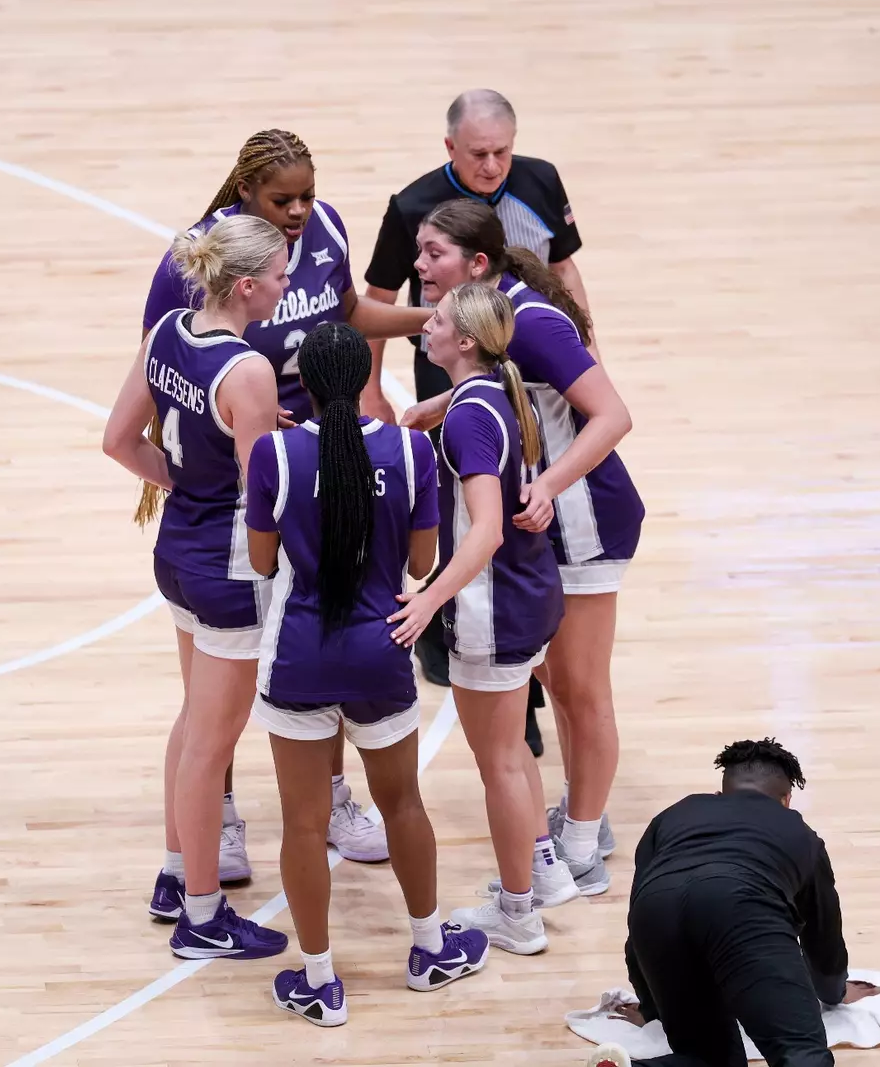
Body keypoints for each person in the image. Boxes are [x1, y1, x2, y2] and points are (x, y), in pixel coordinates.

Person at [141, 128, 429, 874]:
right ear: (245, 194)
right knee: (222, 692)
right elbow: (161, 372)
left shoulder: (326, 228)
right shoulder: (201, 258)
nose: (300, 211)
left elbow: (350, 316)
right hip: (252, 484)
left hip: (319, 461)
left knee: (314, 638)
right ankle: (216, 826)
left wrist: (430, 320)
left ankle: (329, 799)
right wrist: (194, 476)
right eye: (282, 201)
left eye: (306, 196)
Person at [394, 199, 640, 902]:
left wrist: (550, 486)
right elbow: (515, 392)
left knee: (581, 688)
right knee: (555, 684)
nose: (421, 265)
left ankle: (583, 842)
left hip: (585, 522)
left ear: (477, 264)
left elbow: (614, 415)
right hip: (545, 525)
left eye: (435, 253)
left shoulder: (531, 320)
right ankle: (570, 827)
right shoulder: (491, 320)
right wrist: (442, 405)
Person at [244, 322, 489, 1026]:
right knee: (403, 803)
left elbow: (262, 563)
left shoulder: (274, 454)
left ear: (305, 384)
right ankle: (430, 949)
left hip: (300, 655)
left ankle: (319, 982)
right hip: (382, 650)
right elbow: (422, 565)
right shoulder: (412, 451)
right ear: (363, 380)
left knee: (303, 823)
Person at [363, 89, 580, 740]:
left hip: (522, 382)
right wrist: (372, 389)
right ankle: (445, 633)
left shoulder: (539, 183)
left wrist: (587, 348)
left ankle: (518, 690)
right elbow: (376, 297)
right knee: (452, 511)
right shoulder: (413, 205)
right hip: (452, 369)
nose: (491, 165)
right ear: (450, 148)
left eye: (501, 152)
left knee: (507, 515)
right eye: (478, 153)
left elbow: (565, 271)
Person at [102, 213, 289, 960]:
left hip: (177, 553)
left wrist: (182, 483)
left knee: (194, 725)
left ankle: (177, 875)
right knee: (213, 744)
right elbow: (263, 497)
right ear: (245, 287)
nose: (285, 286)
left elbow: (118, 441)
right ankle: (203, 919)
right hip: (228, 571)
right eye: (278, 275)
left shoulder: (167, 333)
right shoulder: (249, 371)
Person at [386, 282, 575, 956]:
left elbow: (487, 529)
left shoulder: (470, 416)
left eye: (436, 319)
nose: (426, 325)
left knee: (498, 764)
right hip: (528, 594)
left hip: (492, 609)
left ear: (465, 341)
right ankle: (542, 874)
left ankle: (518, 914)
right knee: (512, 750)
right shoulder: (496, 391)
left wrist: (430, 598)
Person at [586, 739, 880, 1067]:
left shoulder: (672, 816)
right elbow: (822, 934)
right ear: (786, 799)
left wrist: (655, 1010)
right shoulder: (800, 833)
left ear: (722, 792)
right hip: (741, 907)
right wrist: (834, 992)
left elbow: (638, 929)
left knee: (711, 1060)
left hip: (656, 911)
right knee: (801, 1054)